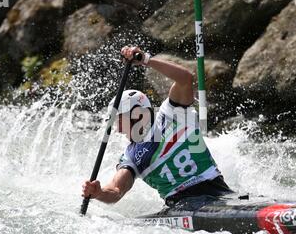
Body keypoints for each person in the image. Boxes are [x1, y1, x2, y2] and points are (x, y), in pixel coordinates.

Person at [81, 46, 234, 211]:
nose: (118, 129)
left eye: (119, 121)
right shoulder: (131, 156)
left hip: (219, 193)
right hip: (182, 206)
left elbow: (185, 78)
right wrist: (99, 193)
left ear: (136, 115)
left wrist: (146, 60)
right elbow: (116, 191)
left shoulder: (171, 113)